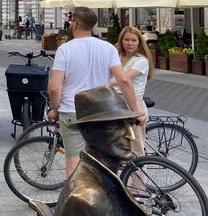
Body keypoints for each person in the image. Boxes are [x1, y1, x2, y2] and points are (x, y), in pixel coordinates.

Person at [47, 6, 140, 177]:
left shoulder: (65, 49)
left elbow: (54, 88)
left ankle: (75, 201)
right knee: (102, 161)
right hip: (101, 112)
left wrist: (55, 108)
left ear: (74, 24)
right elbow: (124, 80)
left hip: (73, 111)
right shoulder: (108, 48)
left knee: (74, 163)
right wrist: (135, 112)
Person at [51, 86, 146, 216]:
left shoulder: (101, 178)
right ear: (87, 132)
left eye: (129, 123)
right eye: (115, 126)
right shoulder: (88, 199)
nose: (131, 135)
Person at [110, 26, 153, 158]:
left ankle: (139, 179)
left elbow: (122, 79)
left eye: (133, 40)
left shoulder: (141, 61)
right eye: (126, 39)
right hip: (116, 103)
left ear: (139, 42)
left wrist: (97, 82)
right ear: (121, 41)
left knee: (136, 150)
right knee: (115, 148)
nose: (129, 43)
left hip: (133, 103)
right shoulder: (116, 58)